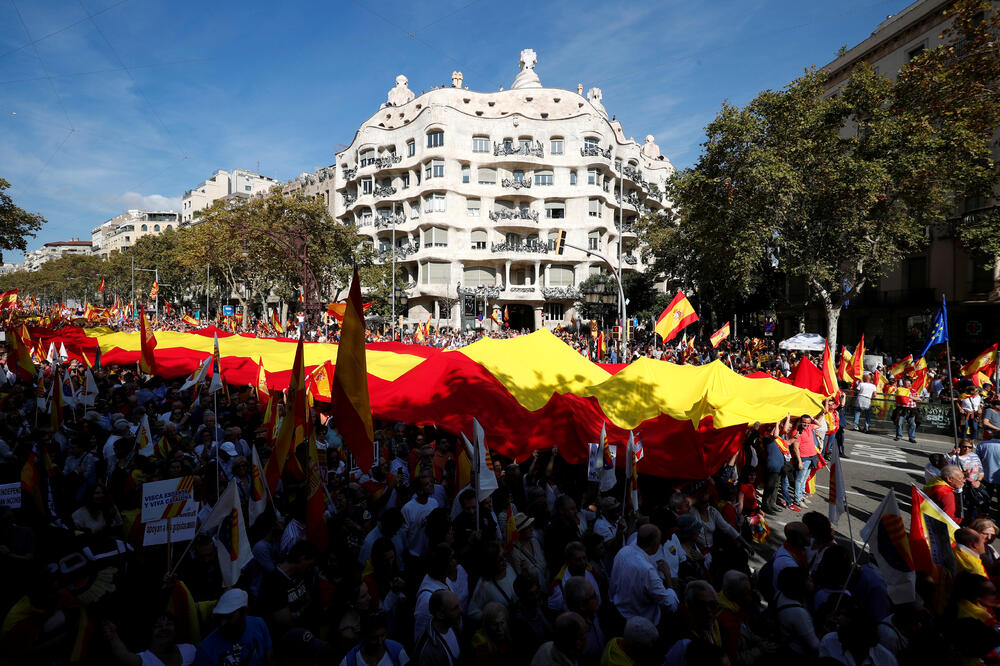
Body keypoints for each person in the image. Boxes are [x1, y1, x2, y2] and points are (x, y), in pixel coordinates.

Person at [609, 524, 679, 625]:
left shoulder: (622, 552)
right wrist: (668, 576)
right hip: (642, 624)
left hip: (619, 615)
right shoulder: (646, 570)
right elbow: (670, 605)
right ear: (655, 544)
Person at [193, 588, 271, 666]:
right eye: (220, 617)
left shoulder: (258, 624)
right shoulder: (206, 649)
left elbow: (270, 657)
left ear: (244, 612)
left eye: (229, 617)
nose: (222, 623)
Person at [413, 589, 461, 666]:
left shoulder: (454, 627)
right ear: (440, 615)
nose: (460, 611)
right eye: (455, 608)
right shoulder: (427, 650)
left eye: (459, 606)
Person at [339, 611, 407, 666]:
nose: (380, 642)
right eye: (374, 638)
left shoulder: (397, 651)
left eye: (382, 635)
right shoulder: (350, 661)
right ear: (365, 637)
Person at [893, 378, 918, 443]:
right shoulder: (900, 390)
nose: (909, 385)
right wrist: (905, 399)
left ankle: (911, 438)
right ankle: (899, 436)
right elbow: (896, 398)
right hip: (902, 409)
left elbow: (919, 399)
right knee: (899, 423)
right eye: (907, 383)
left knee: (912, 424)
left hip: (912, 409)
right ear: (904, 384)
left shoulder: (913, 390)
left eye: (909, 383)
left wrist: (910, 398)